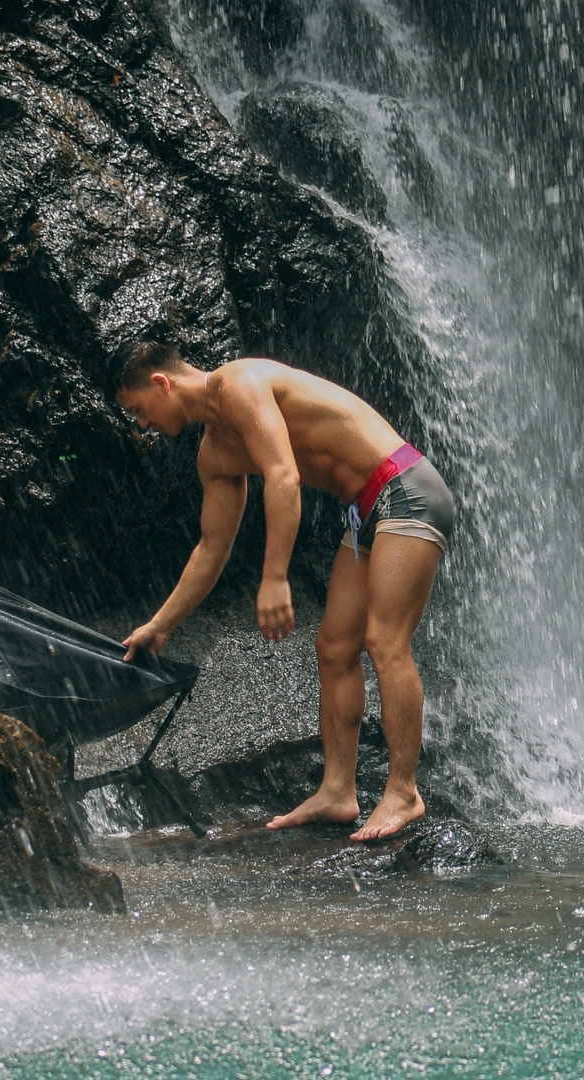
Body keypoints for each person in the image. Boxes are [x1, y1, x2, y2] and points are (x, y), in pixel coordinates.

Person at [111, 342, 453, 840]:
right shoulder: (214, 454)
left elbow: (284, 475)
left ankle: (403, 791)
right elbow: (212, 547)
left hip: (404, 487)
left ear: (161, 383)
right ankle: (338, 790)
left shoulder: (239, 383)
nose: (140, 425)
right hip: (363, 510)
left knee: (384, 641)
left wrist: (275, 577)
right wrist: (160, 624)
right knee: (335, 647)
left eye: (137, 410)